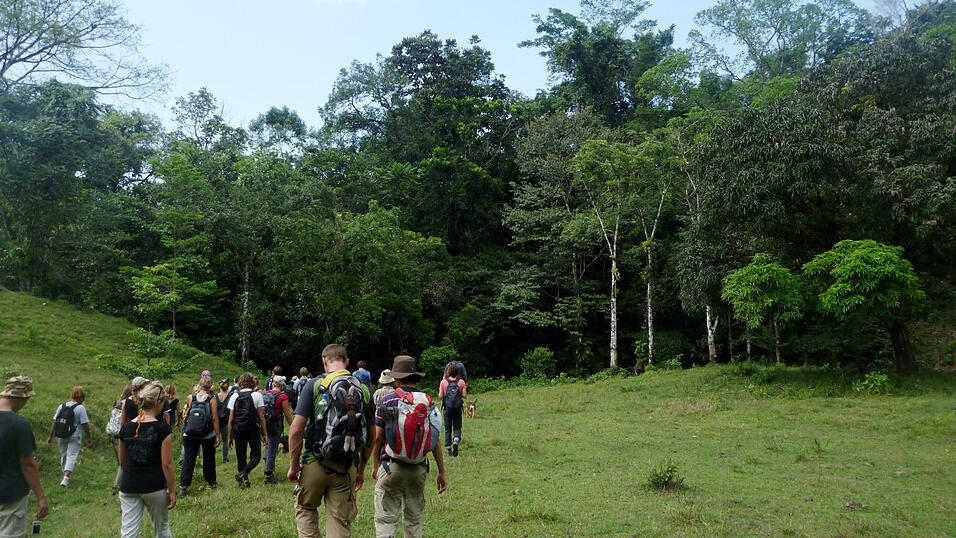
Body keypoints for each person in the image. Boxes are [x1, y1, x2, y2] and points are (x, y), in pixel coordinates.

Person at [288, 343, 372, 538]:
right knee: (339, 521)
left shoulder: (314, 385)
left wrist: (293, 466)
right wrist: (361, 470)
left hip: (314, 463)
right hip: (346, 466)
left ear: (325, 362)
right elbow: (372, 435)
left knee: (306, 509)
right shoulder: (363, 389)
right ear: (347, 362)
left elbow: (296, 430)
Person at [372, 355, 447, 538]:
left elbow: (378, 437)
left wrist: (374, 465)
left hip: (391, 467)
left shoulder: (387, 400)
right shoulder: (428, 403)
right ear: (415, 377)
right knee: (413, 522)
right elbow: (435, 439)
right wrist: (441, 471)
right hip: (418, 469)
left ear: (396, 378)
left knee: (386, 520)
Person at [117, 381, 175, 538]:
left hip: (129, 485)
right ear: (159, 402)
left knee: (128, 532)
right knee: (162, 529)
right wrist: (172, 491)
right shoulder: (163, 429)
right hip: (154, 486)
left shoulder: (126, 428)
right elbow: (167, 464)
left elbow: (122, 461)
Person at [0, 376, 49, 537]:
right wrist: (41, 497)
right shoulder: (19, 424)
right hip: (10, 494)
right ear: (22, 397)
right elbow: (27, 465)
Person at [177, 376, 220, 496]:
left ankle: (183, 486)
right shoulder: (211, 400)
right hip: (207, 434)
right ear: (210, 387)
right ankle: (211, 482)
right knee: (208, 459)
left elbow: (186, 413)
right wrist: (217, 435)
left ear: (199, 385)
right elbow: (215, 419)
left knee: (189, 460)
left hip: (189, 434)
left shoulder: (190, 397)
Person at [227, 372, 268, 489]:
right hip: (252, 429)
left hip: (238, 429)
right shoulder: (257, 396)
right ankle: (244, 473)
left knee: (241, 456)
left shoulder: (234, 396)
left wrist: (229, 436)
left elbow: (231, 419)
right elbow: (261, 417)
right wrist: (265, 434)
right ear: (252, 382)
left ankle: (244, 482)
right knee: (256, 456)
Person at [46, 386, 92, 487]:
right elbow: (85, 424)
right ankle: (66, 478)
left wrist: (50, 436)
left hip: (61, 434)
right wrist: (89, 437)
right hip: (75, 435)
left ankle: (65, 475)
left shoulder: (62, 406)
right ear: (81, 397)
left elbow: (55, 422)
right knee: (72, 455)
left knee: (64, 455)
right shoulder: (80, 408)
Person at [114, 376, 150, 495]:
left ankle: (118, 483)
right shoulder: (144, 400)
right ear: (141, 387)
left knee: (125, 458)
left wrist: (122, 434)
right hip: (141, 432)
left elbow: (123, 421)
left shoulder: (127, 401)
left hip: (128, 432)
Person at [263, 377, 293, 485]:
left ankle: (266, 464)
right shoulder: (282, 396)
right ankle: (269, 475)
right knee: (272, 448)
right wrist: (293, 426)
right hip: (276, 424)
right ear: (281, 385)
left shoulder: (265, 394)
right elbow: (288, 414)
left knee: (268, 444)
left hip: (266, 423)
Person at [438, 365, 467, 457]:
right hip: (457, 408)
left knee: (447, 428)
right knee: (457, 427)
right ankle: (456, 440)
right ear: (458, 373)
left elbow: (440, 396)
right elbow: (465, 395)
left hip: (447, 408)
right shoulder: (461, 382)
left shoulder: (443, 382)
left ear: (448, 372)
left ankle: (448, 450)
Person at [216, 379, 232, 463]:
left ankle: (211, 456)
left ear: (219, 387)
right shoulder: (229, 397)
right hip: (226, 421)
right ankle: (225, 458)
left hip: (216, 421)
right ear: (228, 387)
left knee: (213, 439)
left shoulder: (215, 396)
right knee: (225, 441)